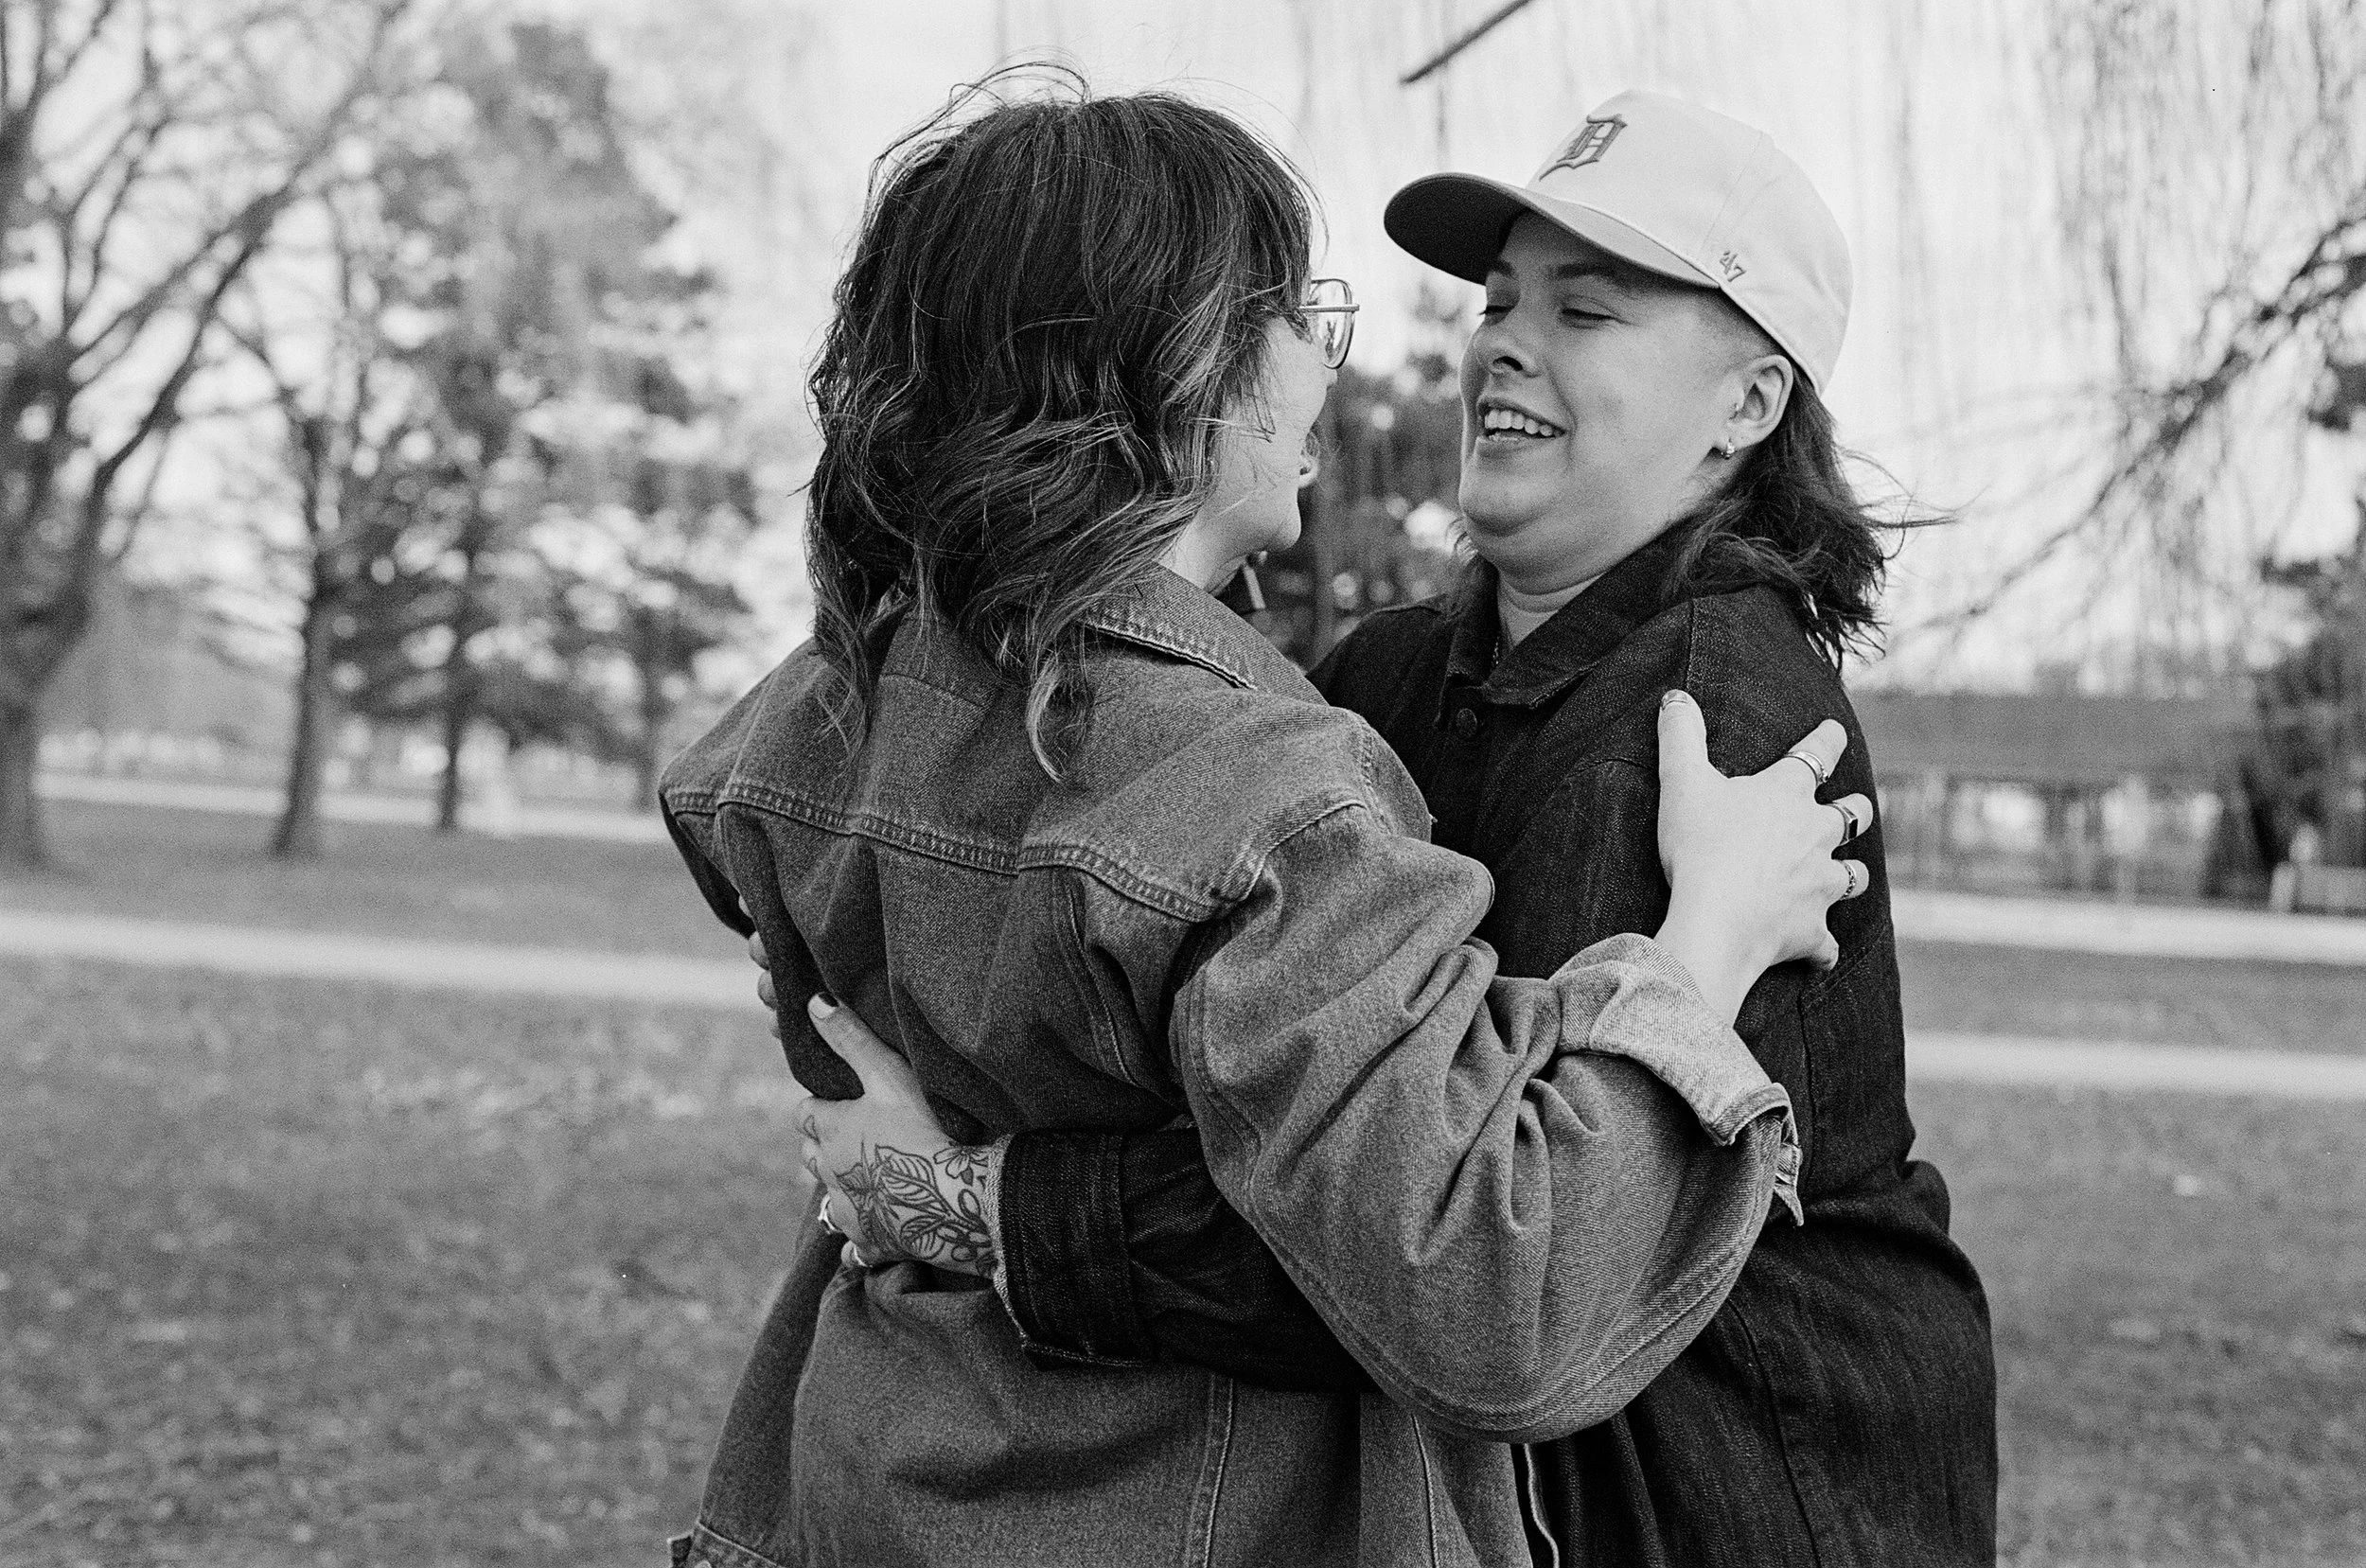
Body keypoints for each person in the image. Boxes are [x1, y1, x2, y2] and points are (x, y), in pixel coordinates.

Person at [658, 77, 1875, 1568]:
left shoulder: (821, 714)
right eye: (1304, 316)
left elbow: (1412, 1247)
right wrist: (1699, 955)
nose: (1484, 342)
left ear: (1752, 404)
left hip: (896, 1471)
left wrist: (959, 1198)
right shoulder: (1286, 760)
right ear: (1180, 370)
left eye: (1588, 309)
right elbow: (1475, 1267)